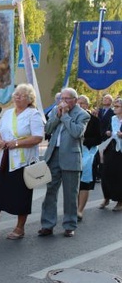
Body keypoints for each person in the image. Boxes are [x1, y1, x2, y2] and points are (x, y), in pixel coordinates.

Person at [0, 83, 44, 239]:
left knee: (21, 195)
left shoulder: (33, 115)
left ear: (29, 99)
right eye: (16, 94)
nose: (17, 97)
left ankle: (20, 228)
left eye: (21, 95)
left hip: (22, 163)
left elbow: (38, 137)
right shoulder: (6, 113)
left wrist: (16, 143)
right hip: (4, 160)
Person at [38, 88, 90, 238]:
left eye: (67, 99)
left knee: (70, 194)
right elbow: (47, 129)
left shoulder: (83, 114)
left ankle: (69, 225)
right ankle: (47, 225)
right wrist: (58, 116)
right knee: (50, 192)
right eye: (62, 98)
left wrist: (66, 116)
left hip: (71, 158)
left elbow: (76, 133)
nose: (63, 101)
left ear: (74, 100)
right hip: (53, 155)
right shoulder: (56, 110)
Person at [76, 95, 101, 221]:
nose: (79, 106)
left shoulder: (94, 120)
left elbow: (98, 139)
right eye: (77, 103)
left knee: (84, 183)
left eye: (82, 103)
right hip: (74, 154)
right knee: (74, 184)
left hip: (88, 154)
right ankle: (74, 208)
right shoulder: (72, 117)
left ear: (86, 105)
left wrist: (85, 140)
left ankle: (80, 210)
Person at [99, 97, 122, 211]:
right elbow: (105, 131)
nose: (115, 108)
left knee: (118, 176)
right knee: (105, 173)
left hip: (120, 152)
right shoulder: (112, 119)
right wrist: (107, 132)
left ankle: (120, 201)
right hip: (111, 148)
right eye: (114, 106)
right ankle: (106, 197)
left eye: (117, 106)